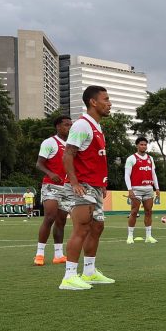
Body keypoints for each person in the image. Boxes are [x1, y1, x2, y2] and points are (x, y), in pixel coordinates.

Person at [59, 85, 114, 290]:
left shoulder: (97, 127)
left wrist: (102, 184)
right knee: (81, 227)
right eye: (106, 99)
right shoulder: (82, 126)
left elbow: (95, 160)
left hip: (95, 186)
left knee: (97, 227)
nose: (109, 104)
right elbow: (68, 154)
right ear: (93, 102)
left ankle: (89, 272)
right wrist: (74, 183)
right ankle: (69, 277)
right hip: (82, 185)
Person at [33, 115, 73, 266]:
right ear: (58, 126)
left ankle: (58, 255)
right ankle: (39, 254)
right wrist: (50, 173)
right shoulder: (49, 142)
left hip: (67, 187)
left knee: (61, 221)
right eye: (66, 125)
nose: (69, 127)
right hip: (51, 185)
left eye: (70, 125)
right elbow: (39, 164)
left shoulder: (72, 145)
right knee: (49, 217)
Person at [125, 137, 161, 244]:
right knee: (134, 212)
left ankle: (148, 237)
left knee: (149, 212)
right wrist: (130, 189)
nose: (143, 146)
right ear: (137, 145)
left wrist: (157, 188)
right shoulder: (131, 158)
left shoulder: (150, 159)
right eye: (141, 144)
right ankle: (130, 237)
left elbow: (153, 174)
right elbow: (127, 175)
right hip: (136, 189)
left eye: (145, 145)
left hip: (149, 189)